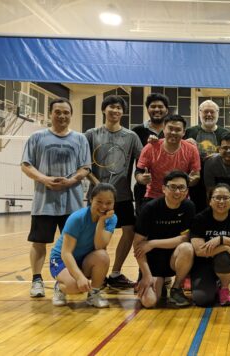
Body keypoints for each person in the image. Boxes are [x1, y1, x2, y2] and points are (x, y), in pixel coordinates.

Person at [21, 98, 91, 298]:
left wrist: (72, 181)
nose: (62, 116)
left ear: (71, 114)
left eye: (66, 112)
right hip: (44, 203)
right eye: (57, 112)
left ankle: (69, 279)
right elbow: (26, 164)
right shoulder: (37, 137)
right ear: (50, 113)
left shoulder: (80, 139)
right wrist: (44, 179)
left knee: (74, 245)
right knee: (39, 242)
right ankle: (36, 280)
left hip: (73, 203)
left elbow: (85, 167)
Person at [85, 95, 144, 290]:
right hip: (97, 197)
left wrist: (139, 175)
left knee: (129, 231)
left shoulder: (131, 137)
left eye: (119, 108)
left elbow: (142, 163)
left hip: (123, 195)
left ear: (123, 112)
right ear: (104, 110)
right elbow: (84, 166)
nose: (115, 111)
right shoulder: (91, 134)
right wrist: (98, 185)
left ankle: (116, 272)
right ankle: (97, 274)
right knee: (95, 234)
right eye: (111, 107)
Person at [133, 170, 196, 308]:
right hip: (154, 262)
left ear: (186, 191)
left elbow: (184, 239)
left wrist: (153, 243)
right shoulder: (149, 208)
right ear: (164, 189)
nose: (177, 192)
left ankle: (176, 287)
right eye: (173, 187)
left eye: (181, 188)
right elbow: (138, 246)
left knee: (187, 248)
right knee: (149, 302)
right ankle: (160, 281)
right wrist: (146, 275)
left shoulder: (188, 207)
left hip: (175, 258)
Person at [49, 183, 117, 308]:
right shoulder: (77, 218)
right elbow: (66, 253)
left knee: (102, 256)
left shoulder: (111, 219)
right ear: (91, 200)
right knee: (75, 286)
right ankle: (60, 287)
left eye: (109, 203)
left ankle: (94, 294)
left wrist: (101, 221)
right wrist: (80, 277)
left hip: (84, 258)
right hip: (61, 259)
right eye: (99, 201)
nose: (104, 206)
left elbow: (99, 246)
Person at [189, 184, 230, 306]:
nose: (221, 201)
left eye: (226, 198)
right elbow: (200, 251)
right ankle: (213, 285)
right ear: (210, 201)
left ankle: (224, 289)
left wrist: (222, 239)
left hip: (224, 263)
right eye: (217, 197)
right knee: (203, 300)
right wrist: (225, 247)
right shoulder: (200, 219)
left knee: (224, 257)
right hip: (203, 263)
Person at [135, 114, 200, 211]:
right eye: (170, 129)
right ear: (164, 129)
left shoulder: (191, 149)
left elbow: (196, 175)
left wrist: (191, 181)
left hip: (180, 196)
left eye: (178, 130)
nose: (173, 132)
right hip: (153, 196)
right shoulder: (150, 147)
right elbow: (138, 172)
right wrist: (142, 179)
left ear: (183, 132)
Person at [184, 100, 230, 212]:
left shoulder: (226, 134)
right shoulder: (189, 132)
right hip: (194, 181)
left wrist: (220, 155)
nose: (209, 114)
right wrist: (184, 144)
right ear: (200, 113)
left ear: (217, 113)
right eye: (205, 112)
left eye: (212, 112)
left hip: (218, 180)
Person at [132, 93, 169, 215]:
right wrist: (139, 178)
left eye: (160, 106)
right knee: (144, 227)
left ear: (166, 110)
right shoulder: (136, 131)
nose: (157, 109)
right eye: (153, 106)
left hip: (169, 188)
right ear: (147, 109)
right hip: (144, 188)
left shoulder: (174, 132)